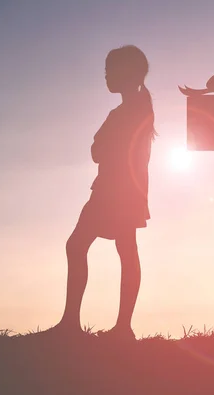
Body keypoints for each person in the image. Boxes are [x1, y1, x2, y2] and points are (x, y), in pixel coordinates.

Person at [52, 45, 156, 341]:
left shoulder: (131, 111)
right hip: (121, 190)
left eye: (110, 70)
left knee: (82, 246)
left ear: (126, 73)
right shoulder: (132, 109)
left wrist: (103, 147)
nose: (106, 75)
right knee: (121, 249)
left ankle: (88, 324)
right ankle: (117, 327)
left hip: (115, 190)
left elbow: (100, 150)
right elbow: (102, 150)